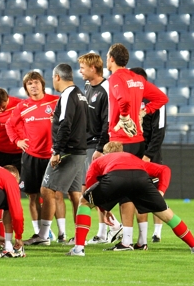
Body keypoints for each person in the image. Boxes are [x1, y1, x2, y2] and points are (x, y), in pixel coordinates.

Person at [66, 142, 194, 256]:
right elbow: (165, 170)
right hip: (140, 178)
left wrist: (103, 208)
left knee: (83, 202)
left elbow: (90, 187)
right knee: (167, 214)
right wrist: (161, 191)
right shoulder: (133, 158)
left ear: (105, 153)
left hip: (114, 177)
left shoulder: (100, 160)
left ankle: (78, 248)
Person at [105, 43, 168, 251]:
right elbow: (162, 98)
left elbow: (122, 100)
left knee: (124, 194)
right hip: (138, 142)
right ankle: (142, 241)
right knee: (139, 192)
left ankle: (126, 241)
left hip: (121, 142)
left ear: (111, 59)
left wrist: (124, 116)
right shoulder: (138, 80)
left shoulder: (116, 78)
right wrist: (144, 112)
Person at [5, 71, 59, 245]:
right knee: (33, 196)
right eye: (29, 84)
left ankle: (62, 233)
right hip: (31, 156)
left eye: (36, 82)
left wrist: (57, 122)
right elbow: (9, 124)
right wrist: (17, 140)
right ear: (26, 88)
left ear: (42, 84)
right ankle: (39, 234)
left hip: (52, 155)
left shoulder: (55, 101)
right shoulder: (22, 106)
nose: (33, 86)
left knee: (55, 195)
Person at [41, 63, 88, 246]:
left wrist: (57, 151)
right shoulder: (80, 95)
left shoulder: (68, 95)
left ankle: (43, 235)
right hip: (79, 151)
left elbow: (66, 124)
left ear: (57, 77)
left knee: (46, 189)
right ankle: (79, 237)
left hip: (68, 152)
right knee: (75, 194)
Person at [78, 53, 119, 245]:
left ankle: (111, 227)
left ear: (93, 68)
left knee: (91, 189)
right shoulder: (87, 87)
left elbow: (108, 121)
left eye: (83, 67)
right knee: (90, 189)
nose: (80, 71)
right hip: (86, 143)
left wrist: (101, 147)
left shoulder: (106, 88)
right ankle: (104, 232)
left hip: (96, 145)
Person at [130, 67, 167, 244]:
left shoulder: (157, 99)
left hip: (150, 155)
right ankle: (141, 237)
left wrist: (149, 155)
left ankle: (157, 232)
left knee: (154, 194)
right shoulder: (130, 98)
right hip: (133, 153)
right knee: (136, 194)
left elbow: (159, 132)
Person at [0, 87, 23, 237]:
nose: (0, 109)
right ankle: (0, 231)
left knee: (23, 191)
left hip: (18, 153)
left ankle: (42, 230)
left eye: (3, 106)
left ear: (7, 99)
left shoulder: (19, 105)